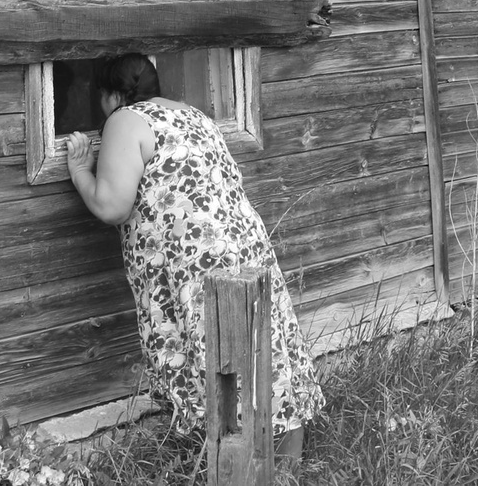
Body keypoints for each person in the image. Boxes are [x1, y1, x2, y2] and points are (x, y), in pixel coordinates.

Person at [66, 53, 323, 469]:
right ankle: (287, 470)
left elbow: (112, 205)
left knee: (222, 366)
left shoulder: (126, 119)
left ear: (111, 94)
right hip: (244, 244)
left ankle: (242, 471)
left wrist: (80, 170)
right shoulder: (194, 114)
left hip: (195, 265)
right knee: (267, 352)